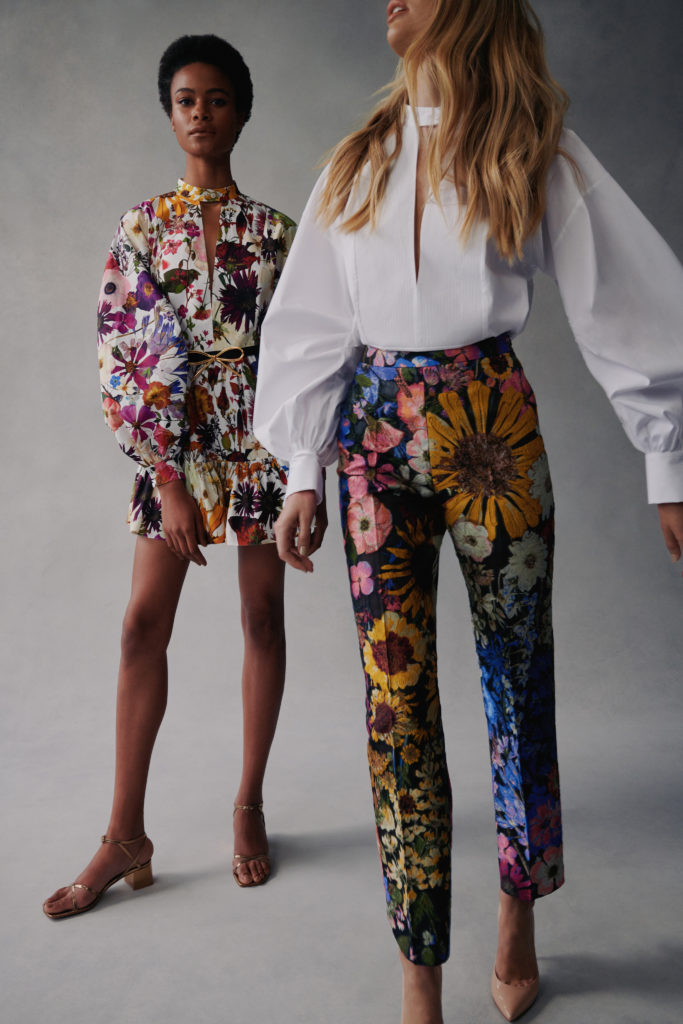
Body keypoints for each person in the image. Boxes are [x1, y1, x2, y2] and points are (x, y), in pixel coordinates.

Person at [253, 1, 683, 1021]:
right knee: (392, 709)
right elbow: (309, 315)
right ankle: (417, 971)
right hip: (369, 438)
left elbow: (626, 298)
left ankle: (517, 907)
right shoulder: (358, 155)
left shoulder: (532, 146)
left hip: (488, 417)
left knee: (515, 679)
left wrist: (667, 463)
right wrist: (302, 467)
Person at [43, 33, 315, 918]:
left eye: (218, 97)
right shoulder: (140, 228)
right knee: (139, 629)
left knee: (262, 618)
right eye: (186, 99)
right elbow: (127, 351)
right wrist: (165, 477)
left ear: (242, 110)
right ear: (170, 114)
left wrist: (302, 466)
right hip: (177, 448)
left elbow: (309, 353)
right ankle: (126, 833)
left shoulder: (277, 233)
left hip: (262, 443)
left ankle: (248, 804)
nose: (202, 112)